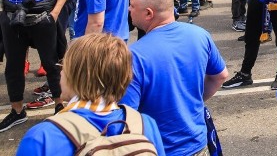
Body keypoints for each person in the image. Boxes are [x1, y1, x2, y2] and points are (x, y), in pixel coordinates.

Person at [123, 0, 229, 156]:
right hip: (198, 145)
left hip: (159, 149)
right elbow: (221, 75)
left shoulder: (133, 56)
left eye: (132, 5)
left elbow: (127, 116)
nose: (128, 9)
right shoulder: (200, 35)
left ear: (148, 13)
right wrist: (190, 101)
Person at [16, 33, 165, 155]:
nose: (61, 72)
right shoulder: (145, 124)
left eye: (64, 67)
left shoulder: (42, 137)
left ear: (75, 75)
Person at [0, 0, 71, 131]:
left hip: (44, 15)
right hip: (14, 16)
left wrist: (56, 12)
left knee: (51, 63)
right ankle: (17, 111)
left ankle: (59, 106)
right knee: (13, 65)